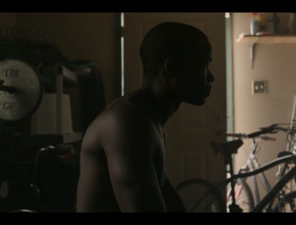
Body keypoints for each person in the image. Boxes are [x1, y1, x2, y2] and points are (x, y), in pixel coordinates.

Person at [76, 21, 214, 212]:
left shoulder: (150, 119)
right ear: (172, 67)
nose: (211, 77)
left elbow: (167, 195)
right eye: (205, 64)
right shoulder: (126, 121)